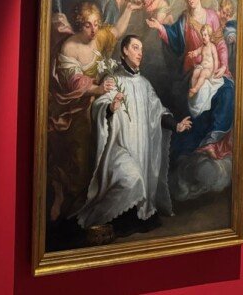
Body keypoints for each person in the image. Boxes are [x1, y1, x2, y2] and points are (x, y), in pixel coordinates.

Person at [76, 35, 192, 235]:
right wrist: (110, 108)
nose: (140, 53)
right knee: (131, 179)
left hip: (141, 149)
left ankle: (132, 219)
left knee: (141, 189)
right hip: (118, 148)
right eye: (136, 48)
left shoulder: (145, 84)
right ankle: (106, 217)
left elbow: (158, 112)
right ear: (124, 51)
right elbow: (98, 107)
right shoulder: (113, 80)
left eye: (141, 49)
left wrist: (176, 125)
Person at [47, 1, 138, 221]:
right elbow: (76, 84)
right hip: (74, 107)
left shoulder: (99, 37)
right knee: (82, 151)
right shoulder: (70, 48)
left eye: (96, 24)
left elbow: (117, 31)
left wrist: (129, 9)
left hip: (97, 98)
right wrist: (98, 89)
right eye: (88, 25)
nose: (94, 30)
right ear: (80, 25)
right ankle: (73, 202)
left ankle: (109, 193)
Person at [146, 0, 235, 199]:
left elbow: (220, 45)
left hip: (214, 68)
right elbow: (176, 40)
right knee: (193, 96)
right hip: (193, 71)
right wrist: (160, 28)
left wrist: (223, 65)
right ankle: (188, 156)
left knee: (228, 91)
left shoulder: (212, 16)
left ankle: (213, 140)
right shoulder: (184, 19)